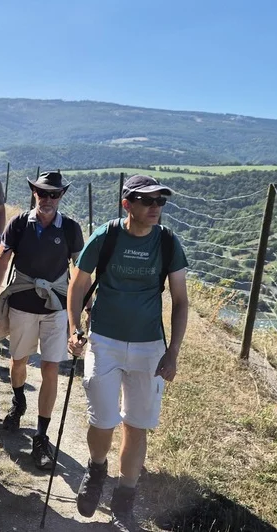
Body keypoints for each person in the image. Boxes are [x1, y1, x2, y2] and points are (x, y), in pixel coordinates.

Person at [66, 175, 190, 532]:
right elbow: (78, 284)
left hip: (149, 347)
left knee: (137, 425)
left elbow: (181, 300)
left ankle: (124, 501)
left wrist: (173, 352)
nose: (155, 207)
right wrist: (75, 329)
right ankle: (96, 469)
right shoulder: (106, 236)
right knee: (102, 419)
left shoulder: (168, 242)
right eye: (146, 200)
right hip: (104, 342)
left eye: (160, 201)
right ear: (127, 204)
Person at [0, 171, 84, 470]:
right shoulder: (18, 224)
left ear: (61, 196)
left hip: (56, 308)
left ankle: (41, 435)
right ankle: (19, 401)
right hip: (22, 305)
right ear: (34, 193)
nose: (47, 199)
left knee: (51, 368)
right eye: (42, 193)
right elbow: (1, 262)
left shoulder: (71, 229)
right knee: (19, 361)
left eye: (54, 194)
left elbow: (80, 272)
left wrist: (84, 311)